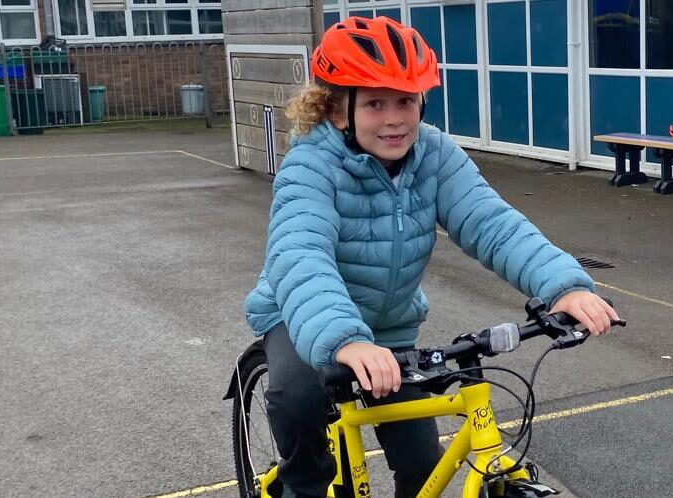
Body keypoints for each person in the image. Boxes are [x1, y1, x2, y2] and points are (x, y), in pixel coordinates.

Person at [243, 16, 619, 498]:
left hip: (389, 327)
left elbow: (493, 225)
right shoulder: (309, 167)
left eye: (406, 101)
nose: (395, 118)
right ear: (338, 110)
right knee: (297, 397)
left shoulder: (434, 155)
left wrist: (564, 285)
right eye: (375, 103)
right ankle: (301, 487)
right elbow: (301, 255)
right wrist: (344, 340)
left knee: (423, 465)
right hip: (304, 318)